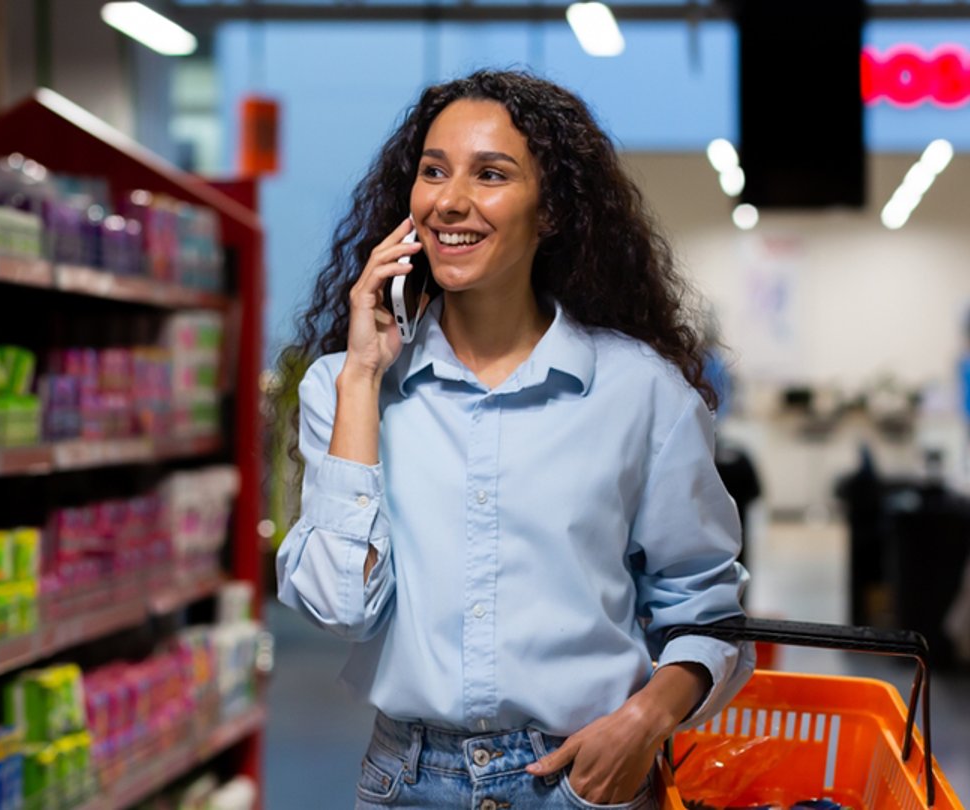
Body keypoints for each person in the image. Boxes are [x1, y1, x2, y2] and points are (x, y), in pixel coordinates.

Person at [275, 70, 753, 810]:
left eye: (490, 174)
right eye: (433, 172)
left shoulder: (640, 391)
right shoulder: (348, 388)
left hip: (583, 778)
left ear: (553, 208)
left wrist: (647, 720)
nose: (450, 201)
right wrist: (365, 379)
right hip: (406, 783)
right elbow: (340, 608)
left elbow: (706, 608)